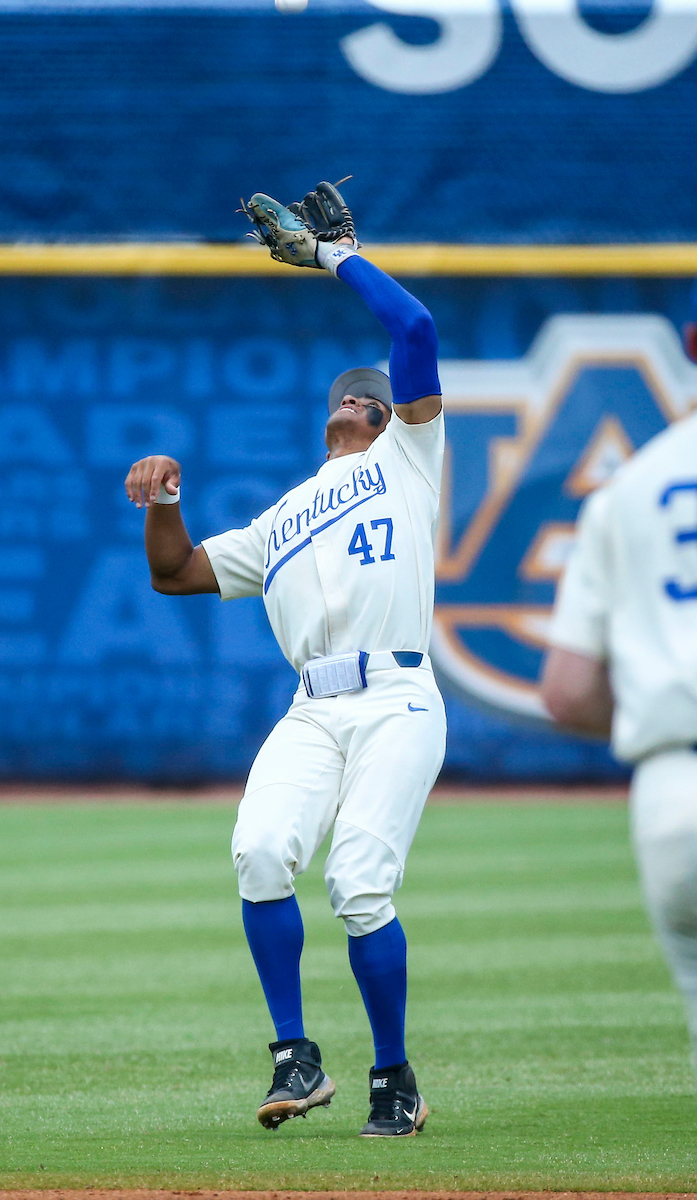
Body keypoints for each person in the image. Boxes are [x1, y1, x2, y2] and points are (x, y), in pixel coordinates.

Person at [124, 187, 446, 1138]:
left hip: (396, 696)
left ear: (392, 416)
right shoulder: (282, 517)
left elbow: (415, 326)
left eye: (373, 393)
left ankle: (395, 1078)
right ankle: (295, 1058)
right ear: (327, 419)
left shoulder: (408, 463)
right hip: (311, 707)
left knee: (359, 883)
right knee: (261, 853)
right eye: (346, 391)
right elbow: (177, 573)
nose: (358, 395)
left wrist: (337, 256)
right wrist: (164, 501)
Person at [541, 243, 697, 1200]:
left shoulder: (629, 488)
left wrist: (674, 708)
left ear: (695, 346)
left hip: (676, 807)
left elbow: (568, 692)